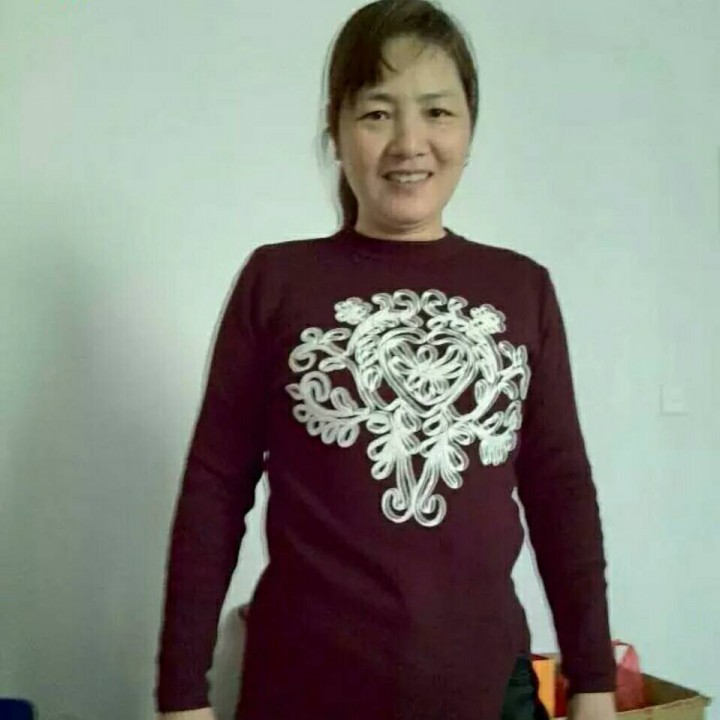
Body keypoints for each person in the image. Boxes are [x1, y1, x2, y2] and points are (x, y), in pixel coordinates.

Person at [154, 1, 618, 718]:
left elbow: (562, 493)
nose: (409, 142)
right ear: (336, 130)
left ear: (469, 128)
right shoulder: (277, 281)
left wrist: (594, 680)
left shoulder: (522, 288)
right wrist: (181, 694)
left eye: (437, 112)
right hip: (304, 690)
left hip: (486, 692)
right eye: (377, 113)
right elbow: (213, 491)